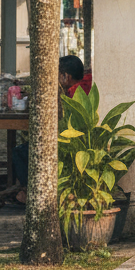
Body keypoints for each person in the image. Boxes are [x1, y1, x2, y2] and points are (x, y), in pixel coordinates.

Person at [9, 55, 95, 207]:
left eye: (55, 74)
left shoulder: (66, 93)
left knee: (19, 152)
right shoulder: (84, 86)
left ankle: (31, 193)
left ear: (65, 76)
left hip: (63, 144)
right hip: (71, 141)